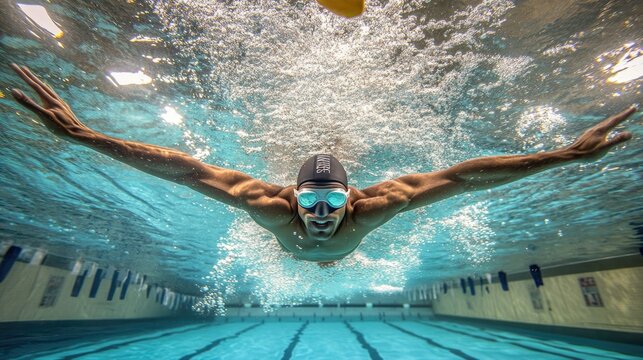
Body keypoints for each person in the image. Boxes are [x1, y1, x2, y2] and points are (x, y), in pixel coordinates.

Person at [9, 64, 637, 263]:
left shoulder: (376, 208)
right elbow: (186, 168)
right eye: (311, 200)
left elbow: (466, 175)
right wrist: (85, 137)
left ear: (351, 196)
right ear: (290, 193)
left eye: (332, 202)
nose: (318, 215)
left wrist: (562, 157)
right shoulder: (267, 205)